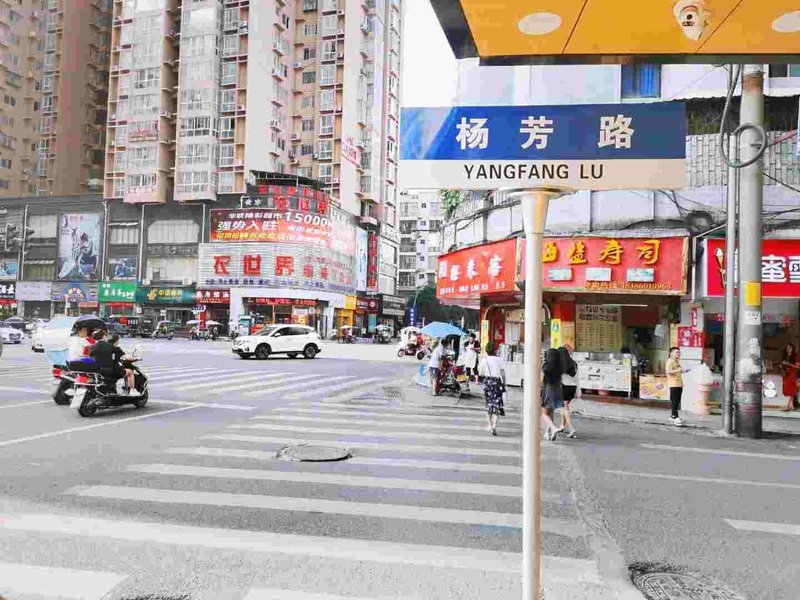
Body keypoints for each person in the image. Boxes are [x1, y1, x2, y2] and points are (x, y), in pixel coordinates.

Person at [480, 343, 506, 436]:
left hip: (488, 382)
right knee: (497, 404)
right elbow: (503, 374)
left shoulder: (485, 360)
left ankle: (490, 425)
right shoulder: (499, 360)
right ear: (495, 350)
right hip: (497, 383)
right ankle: (494, 425)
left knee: (488, 403)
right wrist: (504, 383)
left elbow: (481, 372)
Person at [541, 348, 563, 441]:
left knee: (544, 413)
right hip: (557, 390)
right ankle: (548, 432)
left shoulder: (546, 366)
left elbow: (541, 380)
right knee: (551, 412)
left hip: (548, 390)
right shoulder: (559, 367)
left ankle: (553, 428)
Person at [556, 345, 578, 438]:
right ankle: (562, 425)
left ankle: (571, 428)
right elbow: (577, 376)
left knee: (565, 408)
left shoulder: (560, 364)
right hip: (573, 387)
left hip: (564, 387)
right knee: (564, 406)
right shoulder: (574, 363)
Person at [665, 346, 685, 426]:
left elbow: (678, 371)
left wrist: (682, 370)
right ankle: (675, 416)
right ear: (671, 353)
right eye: (677, 352)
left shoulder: (677, 361)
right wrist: (678, 370)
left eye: (679, 352)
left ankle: (674, 416)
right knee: (675, 401)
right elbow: (668, 371)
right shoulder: (669, 361)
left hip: (679, 383)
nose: (679, 354)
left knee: (677, 400)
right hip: (673, 384)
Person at [780, 343, 800, 411]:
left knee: (791, 391)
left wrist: (789, 364)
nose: (788, 349)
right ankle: (791, 406)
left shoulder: (796, 356)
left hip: (792, 375)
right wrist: (782, 365)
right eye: (787, 348)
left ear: (792, 348)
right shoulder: (785, 356)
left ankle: (790, 406)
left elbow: (798, 367)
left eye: (790, 347)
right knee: (786, 391)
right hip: (786, 375)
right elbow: (784, 366)